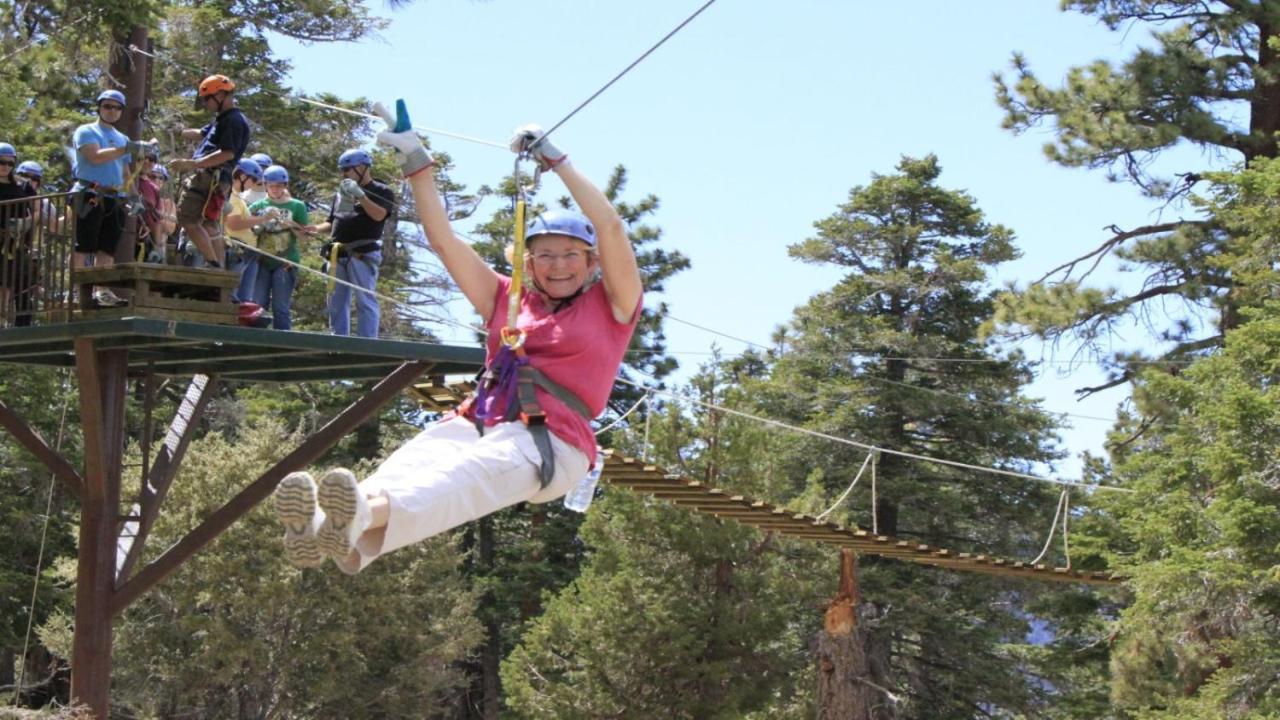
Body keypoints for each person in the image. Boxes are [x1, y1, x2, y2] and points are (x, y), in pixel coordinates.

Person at [272, 101, 642, 573]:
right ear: (528, 264)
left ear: (592, 264)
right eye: (545, 255)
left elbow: (610, 227)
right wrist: (415, 161)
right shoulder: (506, 299)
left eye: (571, 255)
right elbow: (442, 239)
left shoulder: (613, 308)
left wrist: (557, 161)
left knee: (462, 477)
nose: (558, 265)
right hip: (479, 420)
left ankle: (355, 518)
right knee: (412, 466)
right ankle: (327, 525)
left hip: (552, 442)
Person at [71, 89, 154, 304]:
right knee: (83, 245)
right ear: (99, 107)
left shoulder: (122, 139)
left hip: (115, 196)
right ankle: (78, 290)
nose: (112, 111)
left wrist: (136, 201)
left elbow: (125, 173)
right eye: (107, 106)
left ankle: (102, 291)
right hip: (90, 193)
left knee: (107, 248)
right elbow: (95, 157)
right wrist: (127, 148)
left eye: (117, 108)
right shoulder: (87, 131)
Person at [169, 74, 250, 268]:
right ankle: (218, 268)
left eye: (207, 99)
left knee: (187, 218)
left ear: (221, 95)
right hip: (214, 179)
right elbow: (201, 134)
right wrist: (179, 131)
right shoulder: (222, 120)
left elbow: (227, 153)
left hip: (210, 177)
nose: (205, 103)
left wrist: (192, 164)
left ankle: (212, 263)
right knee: (208, 223)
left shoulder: (233, 121)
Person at [313, 148, 394, 338]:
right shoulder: (342, 194)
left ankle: (367, 342)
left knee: (365, 300)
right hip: (338, 253)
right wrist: (313, 229)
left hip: (362, 252)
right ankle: (338, 340)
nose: (345, 174)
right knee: (335, 301)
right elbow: (332, 221)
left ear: (362, 167)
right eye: (343, 170)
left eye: (348, 170)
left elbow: (379, 215)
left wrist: (361, 196)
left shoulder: (381, 190)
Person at [248, 164, 314, 329]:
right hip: (262, 260)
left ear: (285, 186)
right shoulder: (258, 206)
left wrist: (290, 224)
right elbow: (247, 228)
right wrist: (261, 222)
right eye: (271, 186)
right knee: (258, 305)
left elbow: (304, 237)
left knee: (280, 306)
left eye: (278, 186)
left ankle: (283, 341)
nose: (275, 189)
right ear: (265, 186)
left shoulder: (297, 206)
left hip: (286, 261)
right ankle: (256, 340)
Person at [223, 158, 273, 302]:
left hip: (245, 252)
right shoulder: (232, 196)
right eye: (253, 180)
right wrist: (263, 219)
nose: (253, 185)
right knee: (231, 295)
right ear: (243, 177)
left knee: (242, 298)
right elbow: (234, 223)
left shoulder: (236, 196)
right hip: (237, 251)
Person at [0, 143, 37, 325]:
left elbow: (36, 211)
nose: (5, 166)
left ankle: (8, 321)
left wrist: (26, 223)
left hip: (16, 241)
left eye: (10, 163)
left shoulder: (23, 186)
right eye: (1, 162)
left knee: (13, 282)